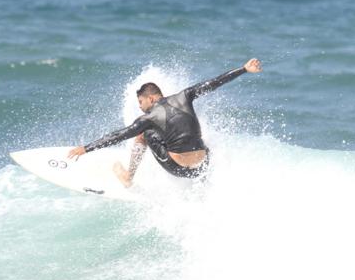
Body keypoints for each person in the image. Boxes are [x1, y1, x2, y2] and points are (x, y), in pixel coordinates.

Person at [68, 58, 262, 187]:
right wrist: (244, 69)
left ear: (151, 98)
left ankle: (128, 177)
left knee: (143, 134)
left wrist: (86, 148)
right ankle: (203, 185)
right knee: (196, 137)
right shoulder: (185, 95)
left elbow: (119, 135)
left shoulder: (148, 118)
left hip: (180, 170)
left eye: (141, 102)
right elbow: (214, 82)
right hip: (203, 166)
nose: (141, 107)